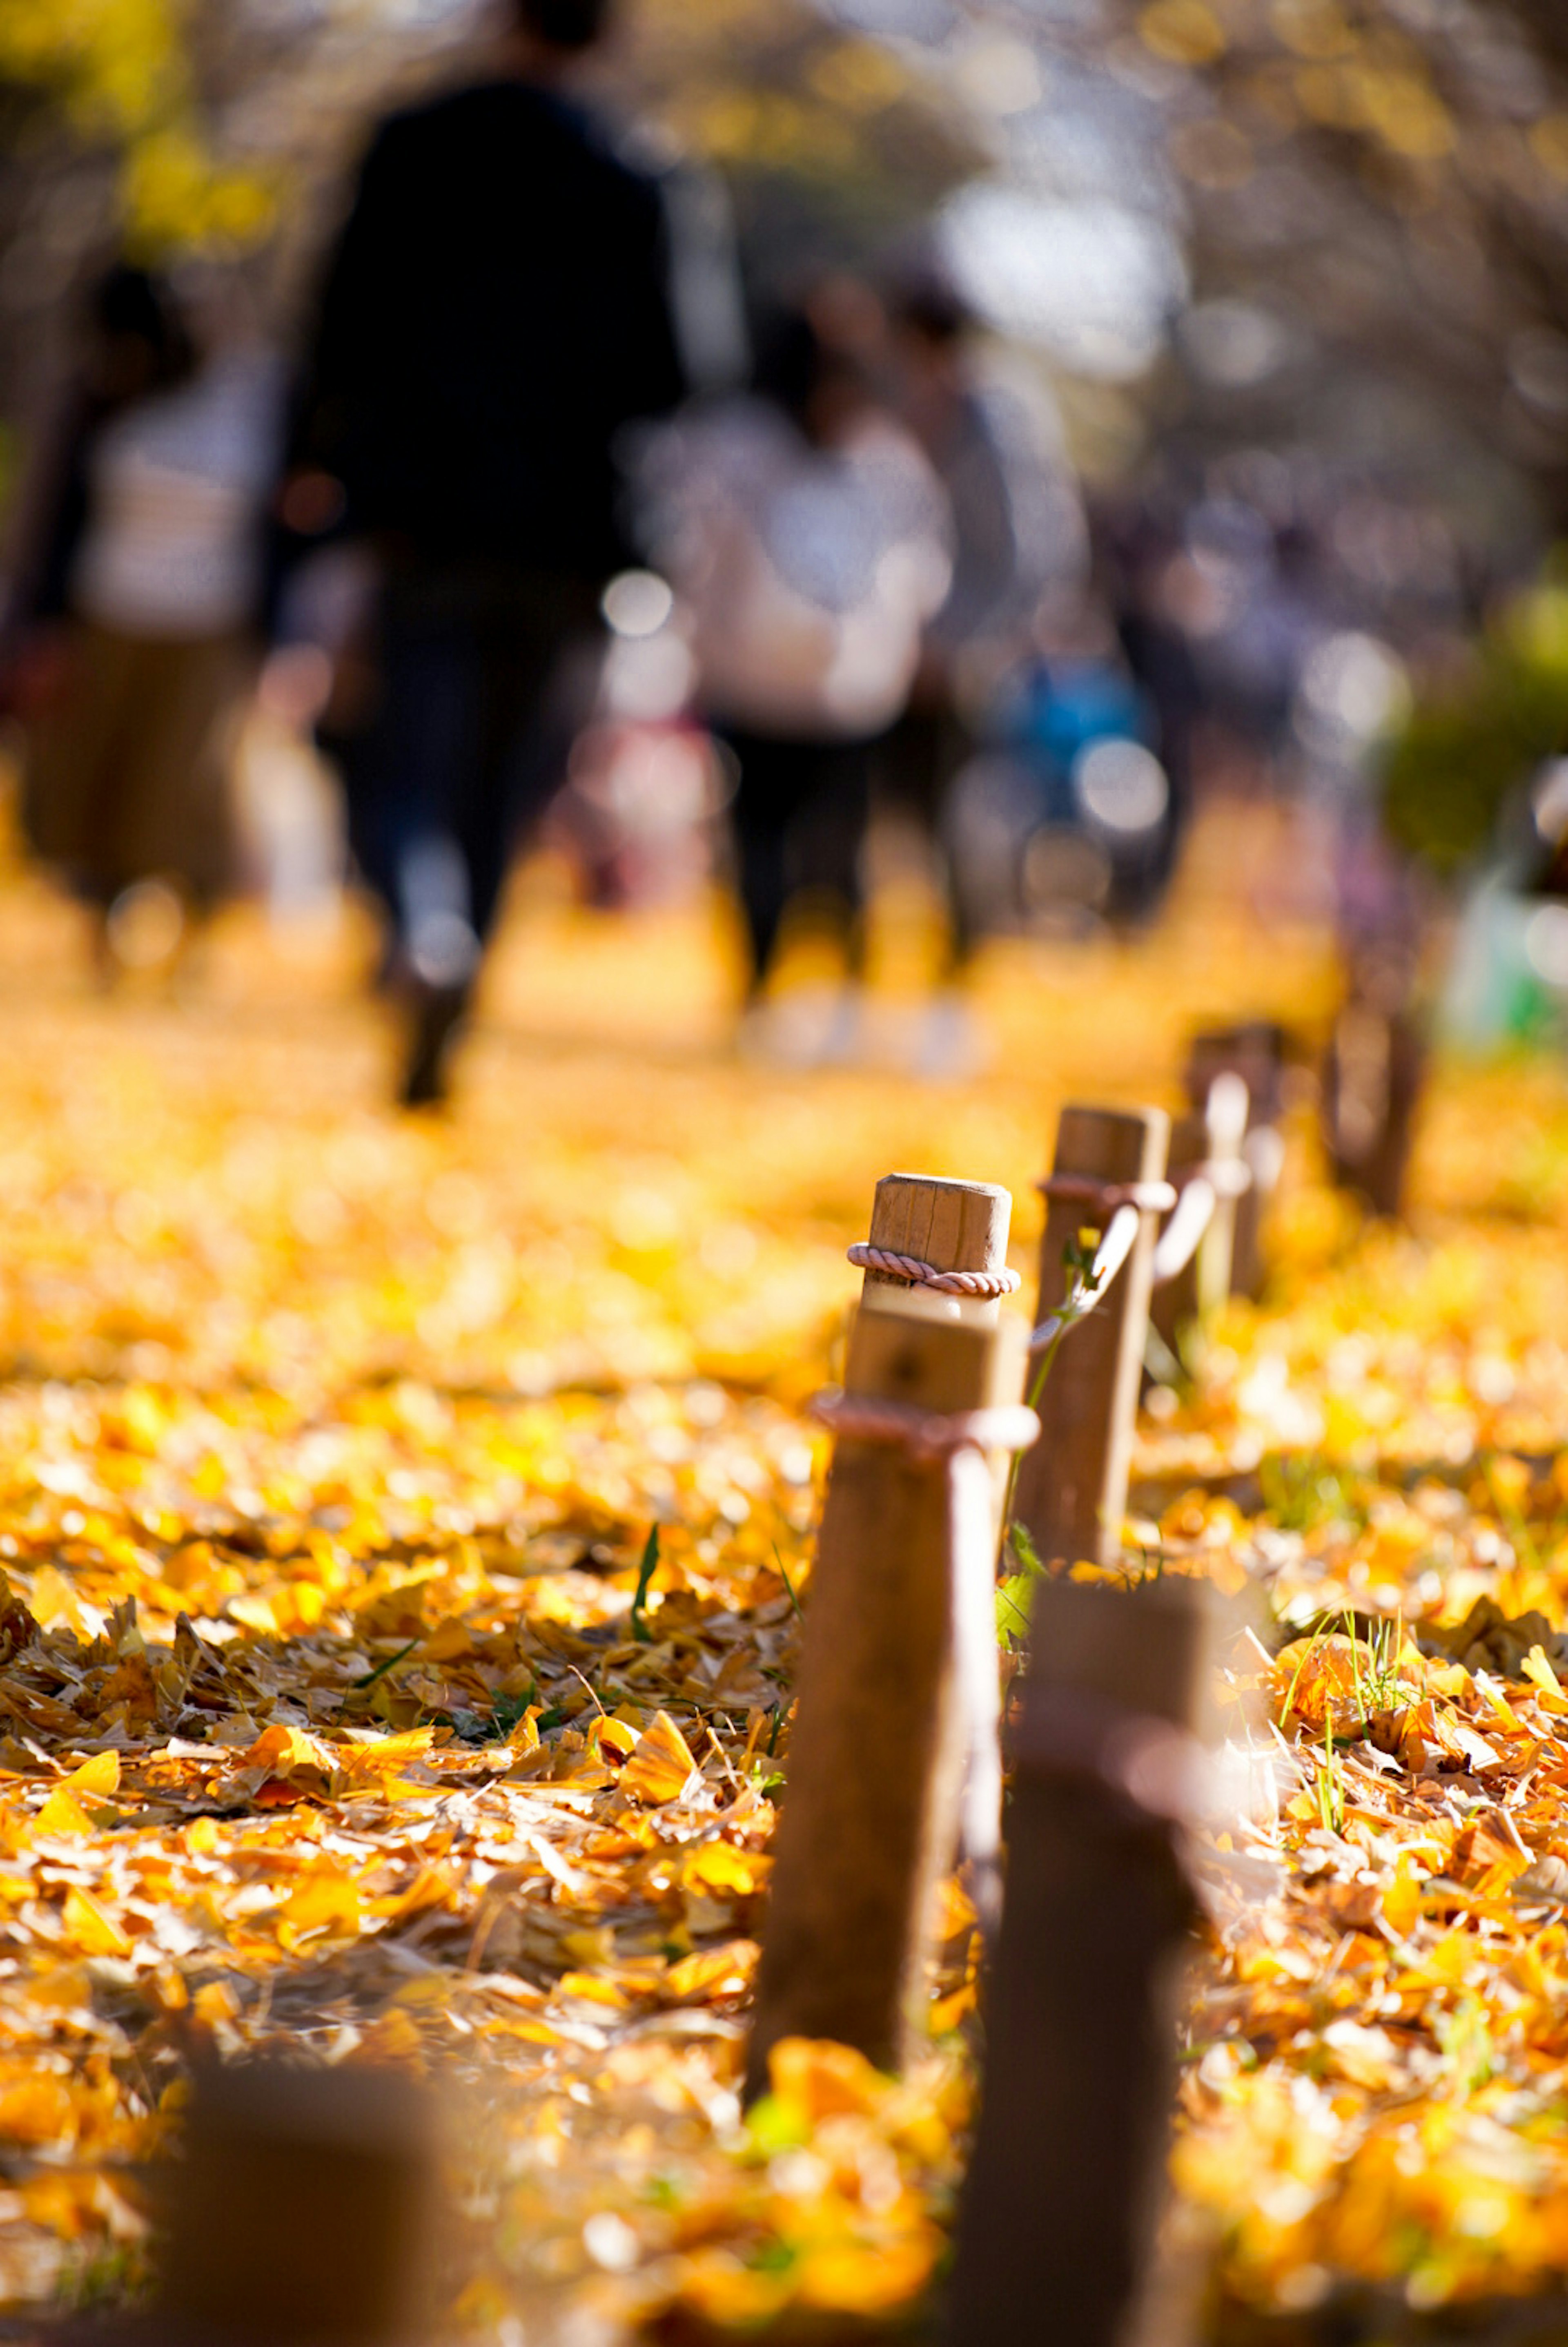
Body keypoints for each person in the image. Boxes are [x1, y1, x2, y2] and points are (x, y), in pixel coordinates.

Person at [282, 0, 687, 1104]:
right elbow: (678, 370)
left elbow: (336, 325)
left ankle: (426, 933)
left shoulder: (417, 143)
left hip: (424, 517)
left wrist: (312, 470)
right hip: (568, 533)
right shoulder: (639, 177)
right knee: (502, 785)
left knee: (404, 755)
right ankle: (454, 999)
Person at [639, 309, 951, 1063]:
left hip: (763, 682)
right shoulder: (887, 460)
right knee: (827, 849)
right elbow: (923, 571)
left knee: (769, 846)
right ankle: (826, 997)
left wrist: (698, 645)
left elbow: (695, 554)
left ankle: (769, 996)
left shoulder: (739, 448)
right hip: (849, 687)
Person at [1, 263, 280, 967]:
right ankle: (103, 927)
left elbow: (287, 521)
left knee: (183, 782)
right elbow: (55, 516)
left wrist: (282, 632)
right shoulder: (103, 398)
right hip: (104, 612)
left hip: (212, 619)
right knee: (91, 773)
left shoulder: (255, 399)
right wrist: (40, 625)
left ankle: (195, 922)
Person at [879, 269, 1087, 1067]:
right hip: (890, 656)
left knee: (961, 825)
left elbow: (1033, 554)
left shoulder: (995, 419)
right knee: (901, 825)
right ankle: (888, 990)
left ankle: (952, 996)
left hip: (967, 666)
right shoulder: (910, 411)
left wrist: (962, 643)